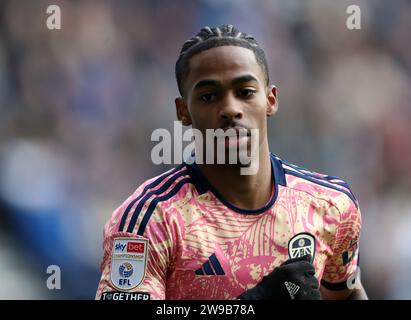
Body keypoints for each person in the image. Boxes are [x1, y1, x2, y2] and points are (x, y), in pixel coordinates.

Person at [95, 24, 367, 300]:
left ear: (271, 100)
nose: (230, 109)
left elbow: (349, 292)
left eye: (245, 92)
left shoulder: (331, 205)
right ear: (183, 111)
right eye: (208, 97)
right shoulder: (148, 221)